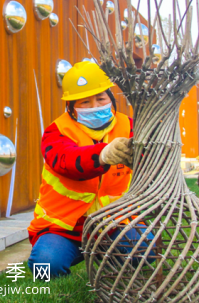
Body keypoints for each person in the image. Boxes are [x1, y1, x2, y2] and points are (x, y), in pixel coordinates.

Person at [27, 61, 142, 278]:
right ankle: (61, 255)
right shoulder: (56, 132)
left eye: (101, 99)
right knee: (45, 268)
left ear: (111, 97)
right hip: (65, 228)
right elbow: (66, 161)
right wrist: (102, 155)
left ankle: (109, 258)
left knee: (146, 250)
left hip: (116, 222)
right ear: (70, 106)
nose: (95, 106)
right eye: (85, 102)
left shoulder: (129, 127)